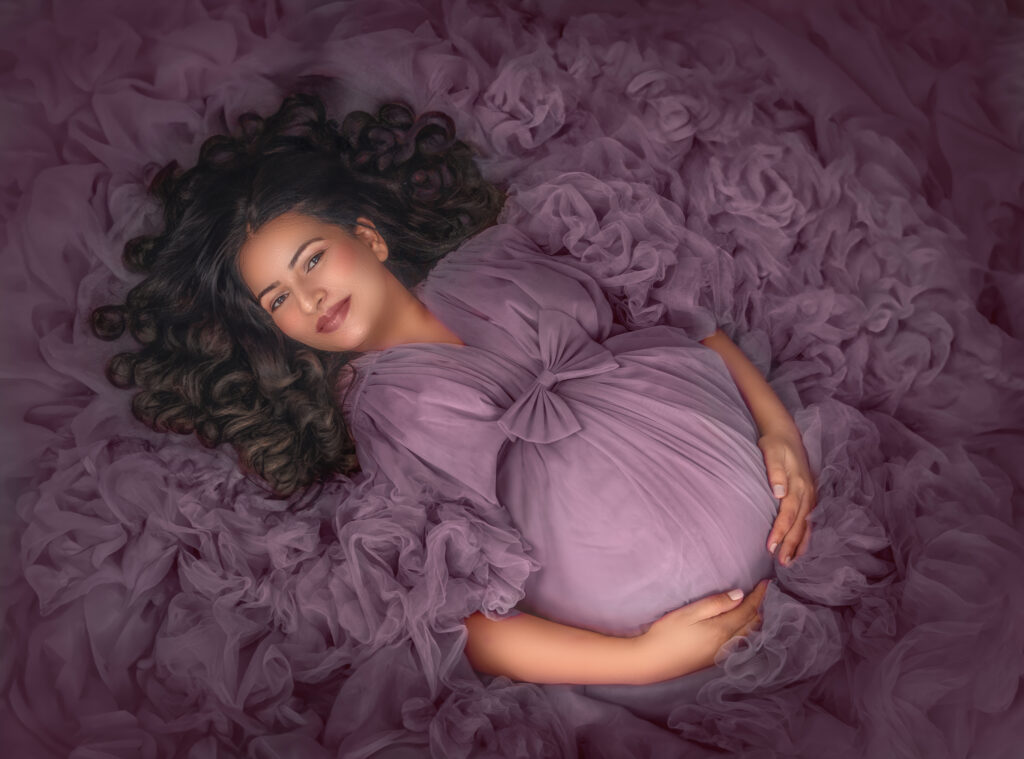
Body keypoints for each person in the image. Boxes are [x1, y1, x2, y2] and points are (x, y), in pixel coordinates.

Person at [91, 91, 816, 690]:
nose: (311, 297)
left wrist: (776, 429)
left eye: (313, 259)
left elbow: (678, 320)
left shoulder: (496, 256)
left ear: (369, 240)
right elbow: (467, 617)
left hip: (772, 511)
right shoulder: (380, 411)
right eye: (280, 299)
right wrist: (643, 659)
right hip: (665, 647)